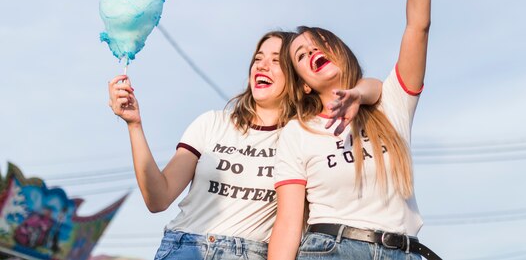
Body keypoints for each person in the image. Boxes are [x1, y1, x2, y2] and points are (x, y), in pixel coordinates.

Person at [268, 0, 442, 260]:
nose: (312, 50)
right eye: (301, 54)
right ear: (304, 85)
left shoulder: (391, 103)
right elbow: (287, 222)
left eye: (319, 43)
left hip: (405, 250)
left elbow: (418, 26)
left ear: (339, 51)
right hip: (333, 249)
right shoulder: (297, 134)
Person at [107, 30, 382, 260]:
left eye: (276, 61)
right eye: (258, 58)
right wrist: (134, 125)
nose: (262, 66)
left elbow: (376, 88)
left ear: (298, 78)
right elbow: (158, 198)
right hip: (186, 248)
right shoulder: (212, 123)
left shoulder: (303, 137)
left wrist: (356, 94)